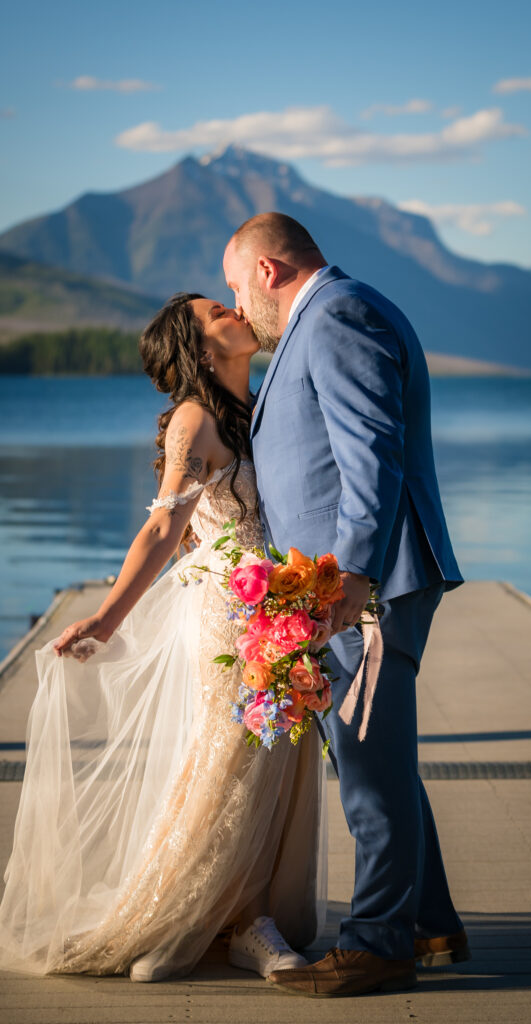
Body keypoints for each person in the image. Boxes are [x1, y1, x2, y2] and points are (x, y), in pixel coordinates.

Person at [0, 294, 324, 983]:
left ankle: (226, 914)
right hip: (230, 611)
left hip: (284, 606)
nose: (239, 307)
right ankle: (194, 917)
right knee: (228, 758)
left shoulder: (260, 405)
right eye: (219, 309)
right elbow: (162, 529)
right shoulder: (197, 419)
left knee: (270, 762)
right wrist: (106, 619)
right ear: (201, 345)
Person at [222, 213, 469, 998]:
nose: (238, 303)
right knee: (379, 756)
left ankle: (376, 945)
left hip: (362, 585)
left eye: (235, 285)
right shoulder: (335, 314)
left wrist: (352, 575)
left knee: (366, 763)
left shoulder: (336, 315)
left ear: (267, 270)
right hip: (339, 584)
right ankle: (427, 923)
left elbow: (372, 450)